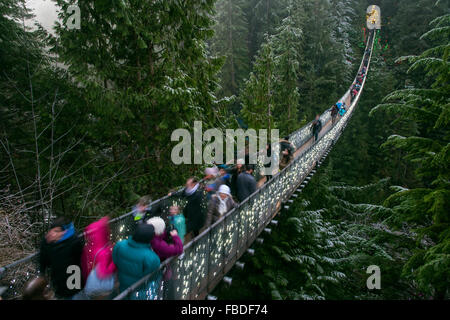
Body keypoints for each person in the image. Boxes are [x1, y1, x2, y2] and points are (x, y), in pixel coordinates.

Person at [38, 217, 84, 299]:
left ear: (64, 232)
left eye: (56, 231)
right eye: (52, 231)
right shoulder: (47, 243)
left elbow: (79, 256)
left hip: (74, 282)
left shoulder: (73, 241)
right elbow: (43, 261)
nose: (53, 234)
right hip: (59, 285)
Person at [112, 223, 160, 298]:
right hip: (140, 290)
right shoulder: (151, 257)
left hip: (122, 284)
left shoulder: (119, 245)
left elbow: (115, 260)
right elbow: (153, 276)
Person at [80, 216, 117, 299]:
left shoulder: (88, 248)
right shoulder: (104, 251)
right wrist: (115, 263)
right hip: (101, 288)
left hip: (90, 283)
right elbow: (103, 273)